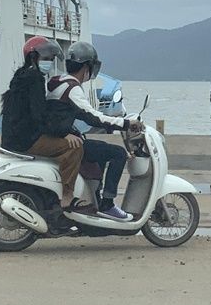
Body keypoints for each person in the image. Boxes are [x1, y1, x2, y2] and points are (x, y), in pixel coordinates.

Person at [45, 41, 144, 221]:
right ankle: (108, 204)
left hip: (57, 137)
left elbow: (70, 114)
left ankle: (95, 198)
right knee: (118, 153)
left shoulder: (59, 82)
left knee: (100, 150)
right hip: (64, 140)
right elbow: (93, 117)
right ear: (86, 67)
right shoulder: (72, 88)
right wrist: (126, 123)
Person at [1, 36, 89, 213]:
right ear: (34, 57)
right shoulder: (34, 79)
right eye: (46, 58)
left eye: (51, 59)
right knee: (75, 147)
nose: (49, 62)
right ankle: (67, 195)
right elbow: (39, 115)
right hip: (26, 140)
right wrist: (63, 133)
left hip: (14, 137)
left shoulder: (21, 75)